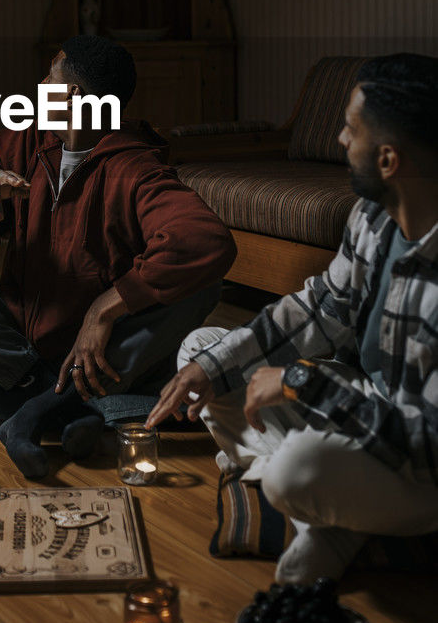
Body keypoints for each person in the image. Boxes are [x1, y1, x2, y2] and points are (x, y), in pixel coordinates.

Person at [147, 53, 438, 584]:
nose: (340, 143)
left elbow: (424, 446)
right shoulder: (374, 216)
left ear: (390, 160)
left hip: (418, 463)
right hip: (363, 403)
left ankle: (307, 502)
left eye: (351, 132)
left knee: (293, 471)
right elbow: (321, 306)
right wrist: (215, 367)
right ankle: (331, 519)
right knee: (200, 352)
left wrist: (302, 383)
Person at [0, 36, 236, 479]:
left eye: (48, 75)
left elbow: (207, 240)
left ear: (72, 93)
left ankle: (31, 410)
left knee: (203, 283)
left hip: (98, 352)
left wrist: (106, 307)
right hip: (18, 345)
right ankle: (55, 400)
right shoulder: (22, 144)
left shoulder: (135, 167)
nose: (38, 85)